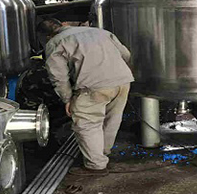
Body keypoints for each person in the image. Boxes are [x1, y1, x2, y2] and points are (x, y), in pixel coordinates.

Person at [37, 18, 134, 176]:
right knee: (111, 119)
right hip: (122, 81)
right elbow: (126, 54)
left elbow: (58, 76)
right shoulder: (101, 32)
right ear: (63, 25)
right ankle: (102, 153)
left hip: (93, 86)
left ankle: (96, 165)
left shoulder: (55, 42)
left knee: (87, 123)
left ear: (47, 36)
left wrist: (67, 99)